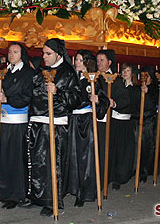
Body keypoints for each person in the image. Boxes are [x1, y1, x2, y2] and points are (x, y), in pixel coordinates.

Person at [23, 38, 81, 217]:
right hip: (38, 120)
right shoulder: (42, 71)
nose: (44, 56)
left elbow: (76, 99)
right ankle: (37, 196)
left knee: (52, 164)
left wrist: (57, 92)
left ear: (58, 54)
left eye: (48, 54)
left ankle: (52, 200)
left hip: (55, 123)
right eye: (43, 53)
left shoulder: (68, 72)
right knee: (37, 161)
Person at [0, 43, 34, 209]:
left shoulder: (28, 73)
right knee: (0, 157)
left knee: (14, 158)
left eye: (15, 52)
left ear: (22, 54)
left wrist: (8, 100)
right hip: (1, 119)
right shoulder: (3, 71)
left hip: (16, 122)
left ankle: (16, 194)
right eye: (9, 52)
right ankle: (1, 191)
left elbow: (27, 96)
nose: (11, 55)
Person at [67, 49, 109, 207]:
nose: (77, 63)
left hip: (86, 122)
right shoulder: (72, 78)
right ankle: (73, 188)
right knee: (73, 155)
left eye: (79, 60)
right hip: (72, 120)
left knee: (85, 157)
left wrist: (98, 100)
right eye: (76, 60)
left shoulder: (93, 79)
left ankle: (84, 192)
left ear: (86, 62)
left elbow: (104, 100)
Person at [95, 50, 132, 191]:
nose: (99, 63)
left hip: (108, 122)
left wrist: (113, 103)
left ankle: (104, 180)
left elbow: (125, 99)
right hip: (93, 120)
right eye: (97, 60)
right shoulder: (95, 77)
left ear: (109, 62)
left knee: (105, 153)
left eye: (102, 60)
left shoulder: (115, 79)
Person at [130, 66, 157, 183]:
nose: (144, 78)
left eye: (147, 76)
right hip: (137, 119)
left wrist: (147, 93)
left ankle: (144, 171)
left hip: (148, 120)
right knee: (135, 146)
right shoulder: (137, 88)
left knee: (146, 146)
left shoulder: (154, 89)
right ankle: (134, 168)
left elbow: (153, 104)